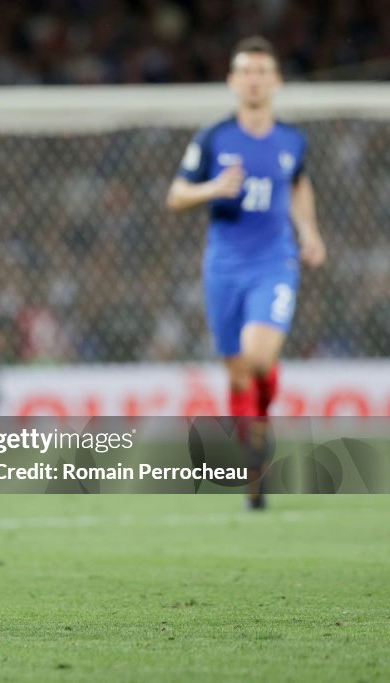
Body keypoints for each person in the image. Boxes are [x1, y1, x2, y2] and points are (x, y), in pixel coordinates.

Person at [166, 36, 326, 509]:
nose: (254, 79)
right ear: (232, 81)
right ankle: (254, 468)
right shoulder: (213, 137)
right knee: (238, 374)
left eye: (262, 71)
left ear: (275, 81)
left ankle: (257, 448)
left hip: (273, 263)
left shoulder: (291, 140)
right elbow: (176, 196)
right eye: (245, 71)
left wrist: (310, 232)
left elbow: (298, 185)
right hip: (223, 268)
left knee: (256, 359)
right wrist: (213, 187)